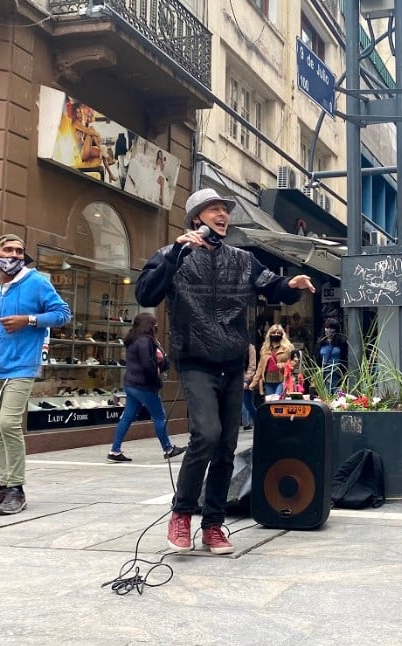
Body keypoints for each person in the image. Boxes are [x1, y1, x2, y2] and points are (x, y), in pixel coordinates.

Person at [136, 188, 315, 554]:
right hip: (196, 359)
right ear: (196, 218)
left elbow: (271, 285)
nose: (222, 215)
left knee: (227, 446)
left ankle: (214, 525)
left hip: (233, 362)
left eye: (224, 210)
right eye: (213, 209)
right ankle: (182, 514)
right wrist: (174, 254)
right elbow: (146, 294)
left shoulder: (242, 259)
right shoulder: (175, 256)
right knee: (207, 433)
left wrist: (292, 285)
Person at [0, 234, 72, 516]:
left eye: (19, 251)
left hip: (22, 365)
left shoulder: (37, 283)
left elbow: (63, 314)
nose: (15, 255)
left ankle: (17, 490)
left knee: (9, 424)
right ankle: (3, 486)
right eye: (8, 250)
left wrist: (29, 320)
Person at [106, 313, 185, 463]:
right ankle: (168, 448)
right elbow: (148, 364)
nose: (156, 327)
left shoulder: (133, 339)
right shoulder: (145, 341)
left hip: (131, 384)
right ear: (149, 325)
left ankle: (114, 451)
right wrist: (157, 379)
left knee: (128, 417)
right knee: (159, 416)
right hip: (144, 385)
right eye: (154, 324)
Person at [250, 324, 294, 399]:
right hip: (268, 380)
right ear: (269, 335)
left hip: (282, 379)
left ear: (282, 335)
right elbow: (260, 367)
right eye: (273, 333)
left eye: (278, 333)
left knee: (277, 400)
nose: (276, 335)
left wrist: (284, 365)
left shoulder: (287, 348)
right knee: (270, 403)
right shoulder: (265, 349)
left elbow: (294, 362)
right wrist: (253, 384)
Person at [317, 319, 347, 393]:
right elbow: (317, 360)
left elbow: (345, 358)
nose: (329, 330)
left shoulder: (342, 343)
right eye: (327, 327)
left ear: (336, 330)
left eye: (332, 328)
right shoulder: (320, 343)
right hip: (324, 375)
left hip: (337, 374)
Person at [241, 342, 257, 431]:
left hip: (246, 380)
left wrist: (246, 380)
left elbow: (252, 366)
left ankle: (257, 421)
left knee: (247, 404)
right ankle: (246, 423)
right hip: (233, 379)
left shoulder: (250, 348)